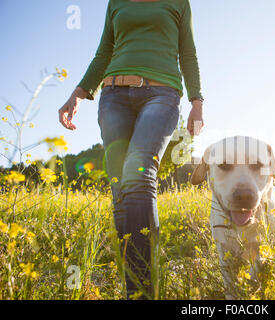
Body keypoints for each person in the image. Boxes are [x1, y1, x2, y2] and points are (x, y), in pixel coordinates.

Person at [58, 0, 204, 299]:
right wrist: (77, 94)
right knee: (120, 190)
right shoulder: (116, 2)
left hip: (162, 93)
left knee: (138, 175)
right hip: (112, 96)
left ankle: (142, 292)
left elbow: (187, 52)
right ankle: (132, 289)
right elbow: (103, 53)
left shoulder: (178, 2)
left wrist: (196, 101)